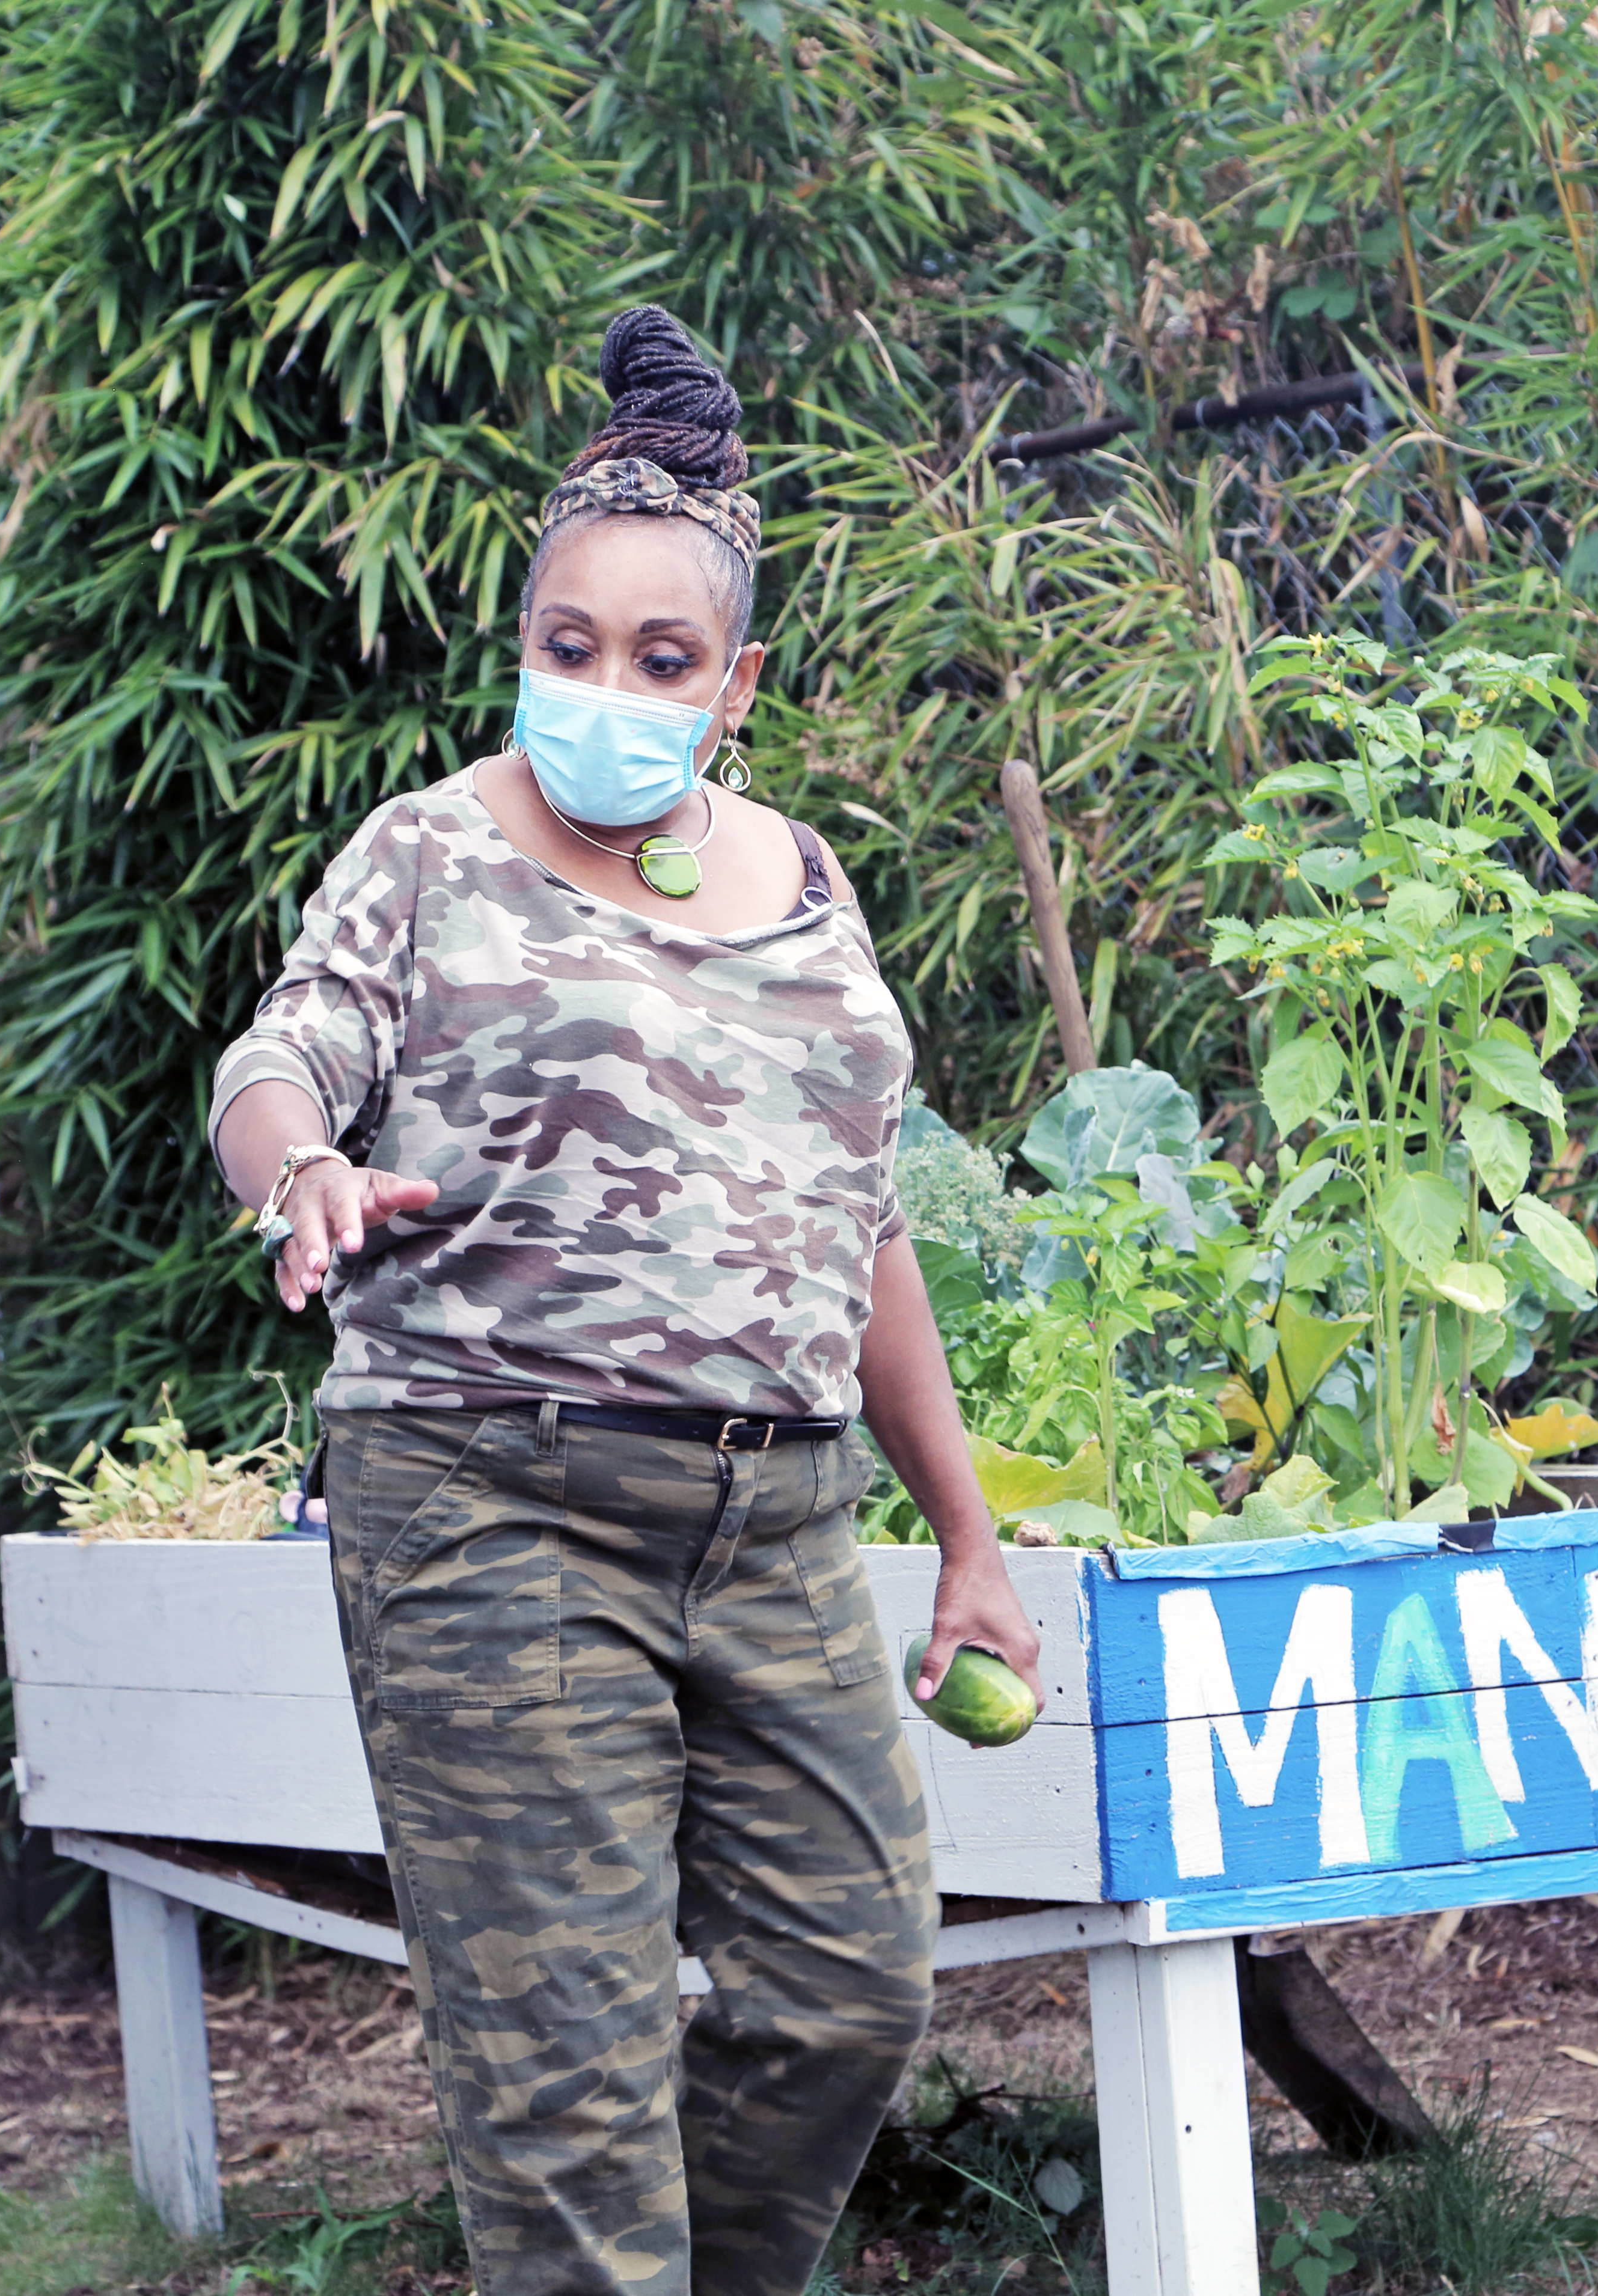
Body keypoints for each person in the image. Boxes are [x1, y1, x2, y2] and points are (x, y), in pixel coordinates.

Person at [209, 305, 1040, 2296]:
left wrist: (968, 1540)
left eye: (659, 659)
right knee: (566, 2081)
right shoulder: (423, 855)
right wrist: (300, 1177)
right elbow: (275, 1064)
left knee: (849, 1987)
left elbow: (868, 1227)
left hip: (777, 1526)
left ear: (731, 680)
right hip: (492, 1508)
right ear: (522, 643)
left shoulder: (811, 883)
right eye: (566, 647)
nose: (605, 687)